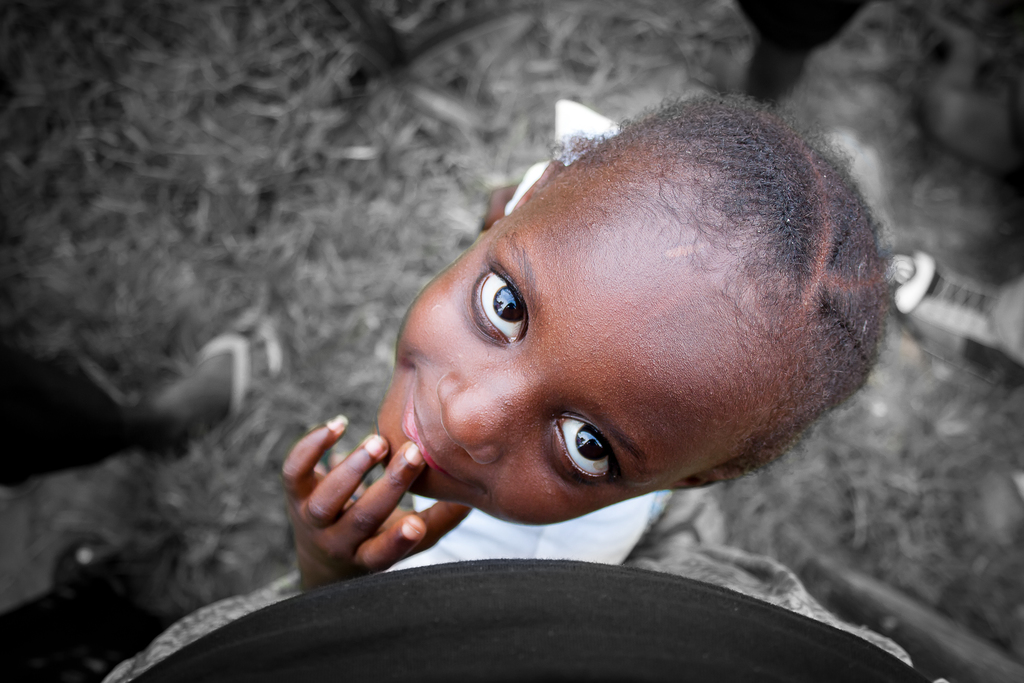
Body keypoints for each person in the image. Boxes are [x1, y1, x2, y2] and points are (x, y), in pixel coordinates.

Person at [105, 94, 905, 681]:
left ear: (696, 476)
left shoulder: (476, 596)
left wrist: (327, 584)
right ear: (527, 201)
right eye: (506, 306)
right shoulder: (592, 212)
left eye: (586, 445)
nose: (466, 415)